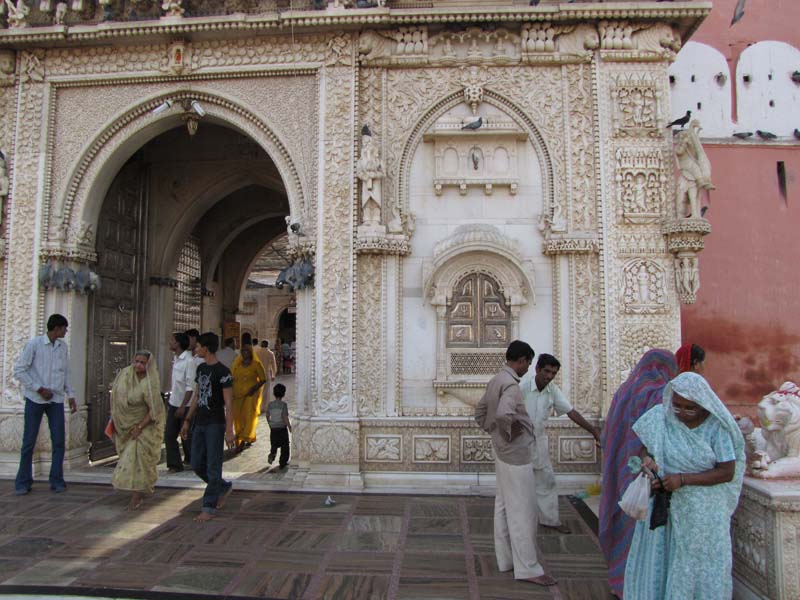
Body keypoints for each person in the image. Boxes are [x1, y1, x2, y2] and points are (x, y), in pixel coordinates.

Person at [624, 372, 744, 599]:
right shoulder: (662, 418)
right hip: (666, 506)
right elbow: (647, 447)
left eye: (689, 408)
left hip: (703, 514)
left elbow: (727, 471)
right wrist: (648, 460)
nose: (681, 412)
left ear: (703, 405)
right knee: (664, 560)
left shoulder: (716, 429)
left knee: (697, 565)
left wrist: (683, 479)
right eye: (677, 405)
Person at [474, 340, 556, 587]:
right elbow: (502, 415)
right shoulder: (511, 386)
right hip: (515, 456)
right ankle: (528, 568)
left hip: (503, 454)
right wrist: (510, 436)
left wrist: (496, 436)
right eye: (528, 363)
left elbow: (480, 412)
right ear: (520, 361)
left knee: (503, 505)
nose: (528, 367)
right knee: (523, 511)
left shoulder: (497, 379)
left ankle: (506, 560)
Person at [599, 349, 677, 598]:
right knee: (643, 527)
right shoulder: (658, 393)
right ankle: (639, 583)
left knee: (625, 516)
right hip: (648, 469)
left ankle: (620, 578)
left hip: (624, 467)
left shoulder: (625, 390)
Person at [520, 353, 600, 533]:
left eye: (553, 373)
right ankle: (519, 523)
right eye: (546, 371)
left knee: (546, 481)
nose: (549, 376)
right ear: (537, 369)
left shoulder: (552, 390)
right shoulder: (522, 388)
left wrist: (594, 431)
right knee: (520, 485)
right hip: (519, 444)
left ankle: (550, 520)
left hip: (539, 442)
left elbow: (571, 411)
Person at [13, 313, 77, 495]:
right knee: (29, 441)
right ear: (56, 328)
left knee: (58, 440)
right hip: (36, 399)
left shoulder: (62, 347)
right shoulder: (34, 345)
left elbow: (65, 372)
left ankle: (56, 479)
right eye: (64, 328)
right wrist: (38, 388)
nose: (66, 331)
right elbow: (19, 370)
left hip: (55, 399)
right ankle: (23, 481)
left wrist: (70, 394)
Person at [180, 332, 235, 522]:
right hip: (200, 421)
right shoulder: (201, 368)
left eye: (198, 346)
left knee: (213, 465)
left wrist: (229, 430)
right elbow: (197, 395)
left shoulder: (223, 372)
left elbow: (228, 403)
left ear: (207, 348)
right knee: (196, 463)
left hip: (215, 423)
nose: (195, 349)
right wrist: (187, 419)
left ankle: (208, 506)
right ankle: (222, 486)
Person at [110, 350, 165, 510]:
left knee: (136, 460)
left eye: (142, 362)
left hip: (145, 426)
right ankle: (137, 492)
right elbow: (116, 396)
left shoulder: (150, 382)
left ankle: (136, 497)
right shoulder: (125, 375)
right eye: (137, 361)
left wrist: (139, 426)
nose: (138, 365)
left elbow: (154, 410)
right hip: (126, 425)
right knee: (130, 460)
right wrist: (117, 414)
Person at [165, 332, 194, 472]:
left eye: (172, 340)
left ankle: (193, 462)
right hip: (174, 402)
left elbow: (190, 387)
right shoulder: (176, 358)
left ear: (178, 343)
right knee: (169, 434)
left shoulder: (189, 361)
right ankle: (174, 464)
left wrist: (183, 406)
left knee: (186, 436)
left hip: (185, 405)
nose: (170, 342)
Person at [231, 340, 266, 451]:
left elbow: (263, 379)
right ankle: (246, 436)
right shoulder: (237, 365)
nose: (244, 353)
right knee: (238, 417)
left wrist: (253, 388)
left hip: (250, 396)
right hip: (237, 395)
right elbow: (232, 377)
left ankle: (243, 440)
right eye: (243, 351)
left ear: (250, 352)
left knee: (248, 417)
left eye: (247, 351)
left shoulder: (256, 365)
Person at [266, 383, 292, 469]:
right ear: (283, 394)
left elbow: (267, 415)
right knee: (285, 446)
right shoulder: (283, 405)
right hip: (282, 428)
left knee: (274, 444)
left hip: (273, 428)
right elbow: (285, 417)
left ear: (274, 393)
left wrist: (270, 423)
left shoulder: (270, 404)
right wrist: (289, 426)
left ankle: (272, 454)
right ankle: (283, 462)